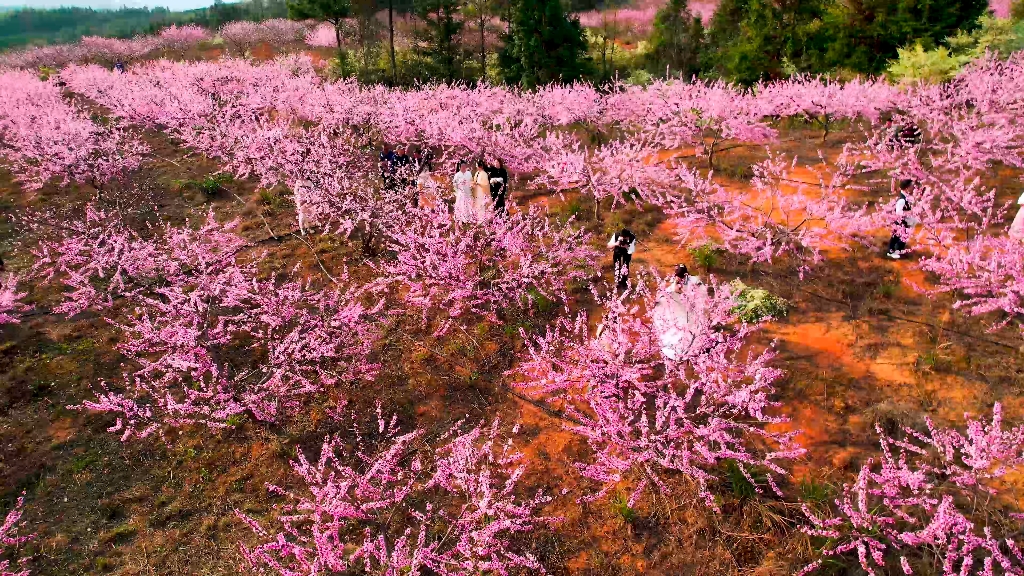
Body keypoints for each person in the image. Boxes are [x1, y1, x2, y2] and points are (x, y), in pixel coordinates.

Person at [886, 179, 917, 259]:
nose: (913, 188)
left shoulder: (907, 198)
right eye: (911, 186)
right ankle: (891, 252)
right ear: (907, 188)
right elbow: (899, 212)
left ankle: (896, 251)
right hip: (901, 222)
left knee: (902, 237)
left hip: (905, 222)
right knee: (897, 237)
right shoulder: (902, 200)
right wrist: (910, 213)